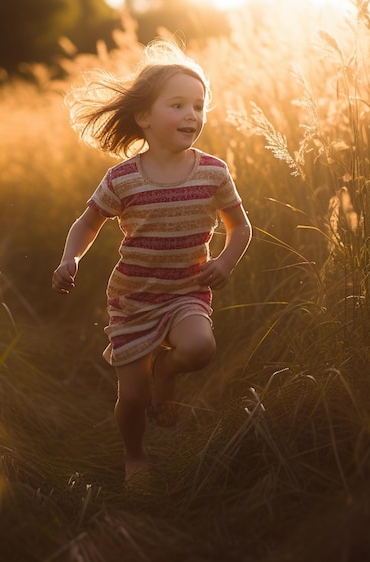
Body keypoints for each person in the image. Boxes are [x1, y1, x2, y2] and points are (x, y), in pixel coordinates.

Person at [52, 39, 252, 485]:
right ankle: (135, 456)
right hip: (134, 299)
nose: (192, 116)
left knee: (200, 347)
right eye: (178, 105)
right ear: (144, 116)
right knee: (133, 395)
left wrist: (225, 261)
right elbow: (88, 222)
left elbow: (241, 227)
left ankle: (168, 369)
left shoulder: (213, 172)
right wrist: (70, 257)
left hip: (186, 291)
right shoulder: (122, 178)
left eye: (198, 106)